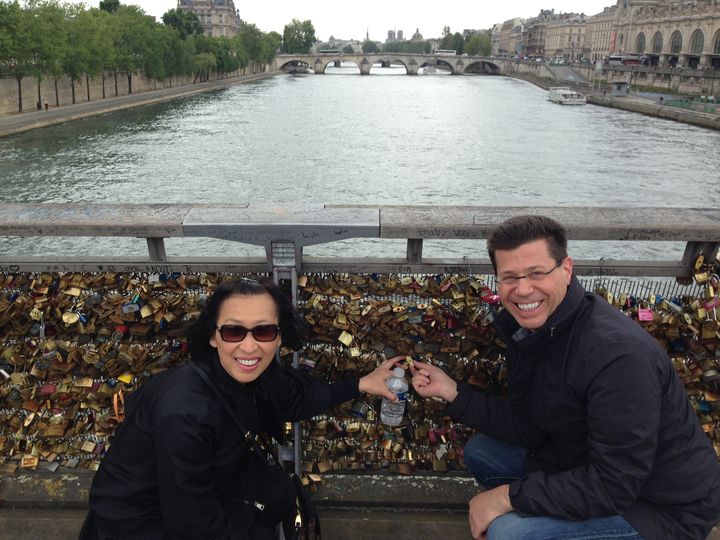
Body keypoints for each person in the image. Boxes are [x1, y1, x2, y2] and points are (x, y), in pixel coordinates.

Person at [410, 215, 720, 540]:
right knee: (483, 454)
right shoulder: (532, 328)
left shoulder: (617, 356)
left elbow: (615, 484)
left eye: (537, 273)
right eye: (509, 277)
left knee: (509, 533)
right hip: (583, 460)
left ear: (567, 269)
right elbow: (528, 426)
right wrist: (453, 393)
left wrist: (506, 499)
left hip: (660, 508)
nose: (523, 289)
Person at [81, 277, 400, 540]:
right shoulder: (184, 413)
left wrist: (360, 383)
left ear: (279, 337)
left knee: (280, 495)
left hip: (204, 483)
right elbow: (192, 524)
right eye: (234, 331)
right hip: (138, 522)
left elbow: (292, 401)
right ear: (212, 337)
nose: (249, 346)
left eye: (264, 331)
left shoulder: (254, 368)